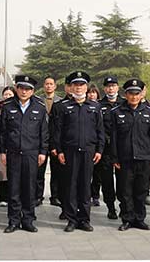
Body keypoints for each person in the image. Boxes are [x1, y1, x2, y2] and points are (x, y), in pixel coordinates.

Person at [51, 71, 104, 232]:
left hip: (89, 151)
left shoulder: (95, 107)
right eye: (76, 85)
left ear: (86, 87)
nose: (79, 88)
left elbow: (100, 130)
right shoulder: (63, 107)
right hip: (70, 152)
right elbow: (58, 131)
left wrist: (99, 150)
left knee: (85, 186)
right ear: (71, 87)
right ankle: (72, 219)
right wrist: (59, 151)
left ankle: (84, 219)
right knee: (71, 186)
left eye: (81, 85)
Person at [0, 75, 48, 233]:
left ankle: (28, 220)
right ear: (16, 89)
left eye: (28, 89)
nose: (24, 91)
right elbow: (2, 132)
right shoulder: (8, 106)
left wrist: (42, 152)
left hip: (31, 153)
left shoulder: (39, 107)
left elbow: (44, 133)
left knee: (29, 188)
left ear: (32, 91)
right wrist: (2, 152)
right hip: (13, 153)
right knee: (13, 188)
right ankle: (13, 220)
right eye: (21, 88)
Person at [109, 79, 150, 231]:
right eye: (131, 93)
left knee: (141, 191)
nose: (134, 97)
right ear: (126, 94)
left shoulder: (149, 112)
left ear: (141, 94)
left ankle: (139, 219)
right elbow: (113, 137)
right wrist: (114, 157)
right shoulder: (116, 112)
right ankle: (127, 219)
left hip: (144, 158)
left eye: (137, 94)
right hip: (125, 159)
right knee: (125, 191)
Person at [91, 76, 120, 219]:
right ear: (104, 89)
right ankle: (111, 207)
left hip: (122, 149)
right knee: (107, 181)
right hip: (106, 149)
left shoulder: (124, 103)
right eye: (108, 86)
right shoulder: (98, 106)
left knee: (123, 181)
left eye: (113, 86)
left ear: (118, 87)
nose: (111, 89)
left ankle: (125, 207)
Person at [42, 77, 63, 207]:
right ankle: (38, 196)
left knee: (56, 170)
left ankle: (55, 196)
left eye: (51, 84)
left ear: (55, 86)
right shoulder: (38, 101)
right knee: (40, 170)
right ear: (44, 86)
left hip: (55, 138)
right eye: (47, 84)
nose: (49, 86)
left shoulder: (60, 102)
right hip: (42, 138)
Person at [0, 86, 15, 207]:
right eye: (5, 94)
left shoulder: (15, 108)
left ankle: (13, 197)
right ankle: (3, 197)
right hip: (1, 143)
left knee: (13, 173)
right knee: (2, 172)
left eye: (10, 94)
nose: (7, 96)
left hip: (13, 144)